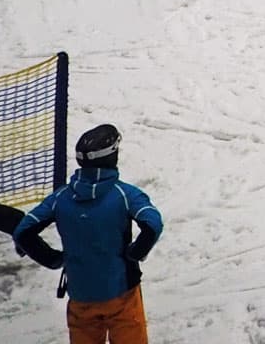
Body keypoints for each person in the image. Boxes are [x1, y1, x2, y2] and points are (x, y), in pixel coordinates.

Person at [14, 124, 163, 344]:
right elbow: (153, 223)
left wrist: (53, 258)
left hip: (80, 294)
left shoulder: (60, 198)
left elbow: (23, 231)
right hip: (122, 292)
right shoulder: (124, 195)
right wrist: (135, 253)